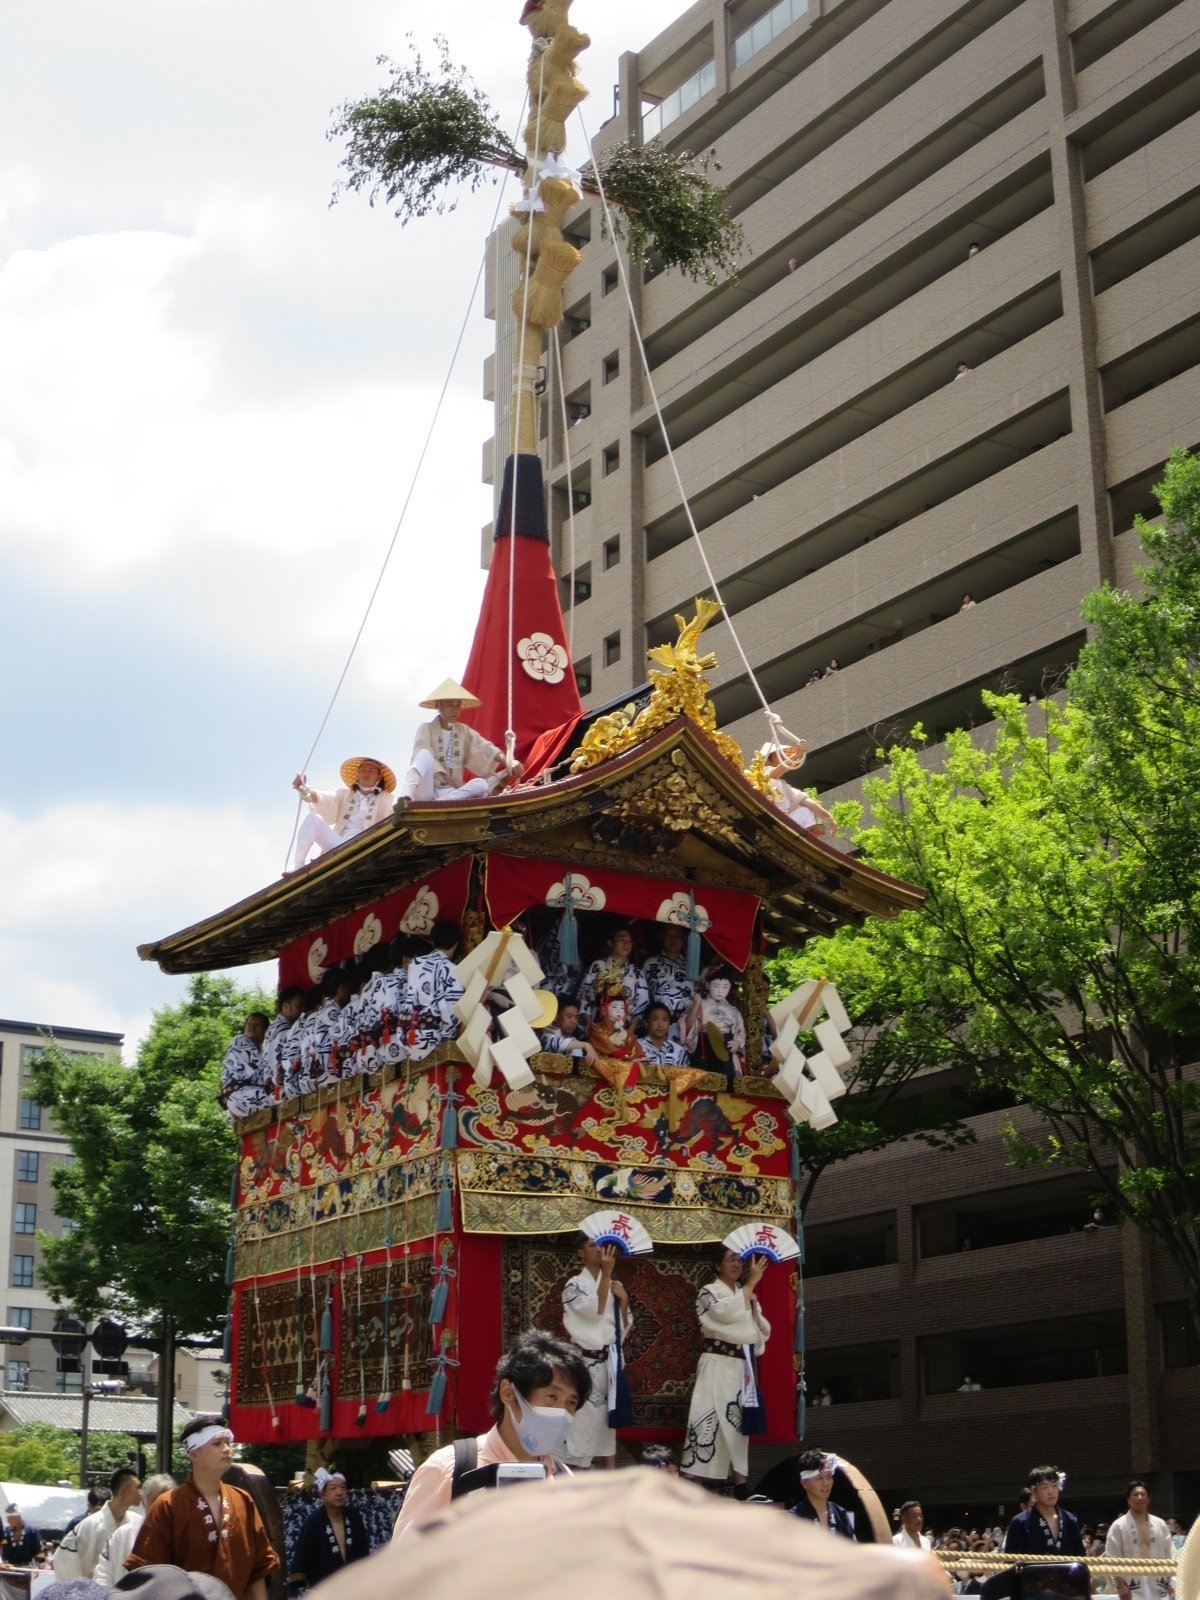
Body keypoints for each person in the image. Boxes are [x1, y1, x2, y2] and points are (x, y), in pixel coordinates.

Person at [389, 1329, 589, 1540]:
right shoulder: (449, 1470)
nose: (561, 1413)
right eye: (551, 1396)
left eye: (571, 1403)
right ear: (508, 1393)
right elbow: (405, 1564)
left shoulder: (563, 1478)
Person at [126, 1416, 278, 1600]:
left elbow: (258, 1568)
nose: (227, 1449)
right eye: (217, 1444)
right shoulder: (168, 1505)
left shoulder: (243, 1500)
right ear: (194, 1454)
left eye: (228, 1442)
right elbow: (148, 1572)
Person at [679, 1244, 770, 1487]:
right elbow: (724, 1314)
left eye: (739, 1260)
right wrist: (750, 1286)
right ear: (718, 1265)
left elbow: (761, 1330)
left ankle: (740, 1483)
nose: (737, 1264)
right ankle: (694, 1481)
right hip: (717, 1363)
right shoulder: (708, 1292)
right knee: (706, 1414)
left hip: (742, 1367)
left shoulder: (745, 1293)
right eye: (730, 1260)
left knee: (737, 1423)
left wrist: (748, 1295)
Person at [561, 1236, 633, 1470]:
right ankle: (578, 1472)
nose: (599, 1250)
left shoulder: (613, 1285)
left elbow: (622, 1329)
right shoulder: (574, 1285)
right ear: (580, 1253)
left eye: (601, 1246)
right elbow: (594, 1310)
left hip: (608, 1362)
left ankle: (610, 1473)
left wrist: (624, 1300)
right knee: (582, 1417)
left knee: (606, 1419)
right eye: (592, 1246)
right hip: (583, 1361)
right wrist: (608, 1274)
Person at [402, 680, 520, 802]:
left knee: (481, 784)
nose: (455, 709)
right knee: (423, 755)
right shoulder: (426, 728)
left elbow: (486, 748)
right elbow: (421, 758)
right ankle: (407, 792)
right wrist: (450, 780)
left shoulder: (463, 731)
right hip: (427, 789)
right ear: (439, 705)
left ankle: (445, 801)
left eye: (458, 705)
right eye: (450, 704)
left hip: (452, 792)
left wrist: (508, 761)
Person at [290, 758, 397, 871]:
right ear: (358, 773)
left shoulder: (386, 799)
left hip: (367, 844)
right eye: (363, 770)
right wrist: (302, 788)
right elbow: (323, 798)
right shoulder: (344, 794)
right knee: (312, 819)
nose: (366, 773)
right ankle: (298, 865)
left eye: (371, 771)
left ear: (379, 777)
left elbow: (396, 811)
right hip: (339, 844)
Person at [55, 1466, 143, 1581]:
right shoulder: (90, 1524)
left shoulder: (136, 1522)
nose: (141, 1493)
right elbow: (63, 1558)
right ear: (124, 1491)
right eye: (138, 1488)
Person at [288, 1471, 368, 1592]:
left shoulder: (354, 1517)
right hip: (323, 1589)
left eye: (343, 1487)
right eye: (333, 1488)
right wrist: (293, 1592)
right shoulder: (313, 1521)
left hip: (353, 1588)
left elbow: (363, 1553)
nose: (339, 1492)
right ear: (322, 1494)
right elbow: (301, 1557)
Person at [95, 1477, 176, 1588]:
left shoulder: (185, 1535)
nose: (163, 1505)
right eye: (156, 1500)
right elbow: (103, 1576)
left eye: (169, 1500)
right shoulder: (122, 1536)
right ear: (144, 1503)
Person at [1106, 1479, 1176, 1600]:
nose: (1139, 1498)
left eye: (1143, 1494)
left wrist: (1172, 1581)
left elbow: (1170, 1553)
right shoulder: (1118, 1526)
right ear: (1128, 1500)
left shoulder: (1160, 1524)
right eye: (1135, 1494)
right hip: (1131, 1583)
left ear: (1148, 1499)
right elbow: (1113, 1556)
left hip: (1158, 1580)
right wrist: (1120, 1584)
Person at [405, 922, 465, 1060]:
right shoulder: (450, 968)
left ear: (432, 942)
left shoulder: (415, 964)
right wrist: (447, 1037)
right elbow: (452, 1008)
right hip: (432, 1038)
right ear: (456, 944)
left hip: (407, 1036)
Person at [681, 969, 746, 1086]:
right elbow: (687, 1026)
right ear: (707, 985)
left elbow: (740, 1032)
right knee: (702, 1081)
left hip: (725, 1046)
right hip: (703, 1046)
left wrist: (737, 1042)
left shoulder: (734, 1011)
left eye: (725, 987)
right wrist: (696, 1006)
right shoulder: (700, 1004)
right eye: (716, 986)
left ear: (730, 987)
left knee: (726, 1081)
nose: (720, 991)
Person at [1004, 1466, 1085, 1556]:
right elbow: (1010, 1558)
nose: (1051, 1491)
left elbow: (1080, 1556)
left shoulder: (1069, 1519)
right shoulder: (1020, 1522)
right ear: (1034, 1491)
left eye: (1054, 1486)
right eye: (1044, 1487)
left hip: (1066, 1570)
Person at [758, 742, 836, 835]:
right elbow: (775, 773)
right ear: (772, 756)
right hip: (774, 818)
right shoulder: (763, 773)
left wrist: (828, 817)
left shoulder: (782, 785)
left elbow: (803, 799)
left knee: (806, 811)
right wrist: (796, 755)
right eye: (781, 754)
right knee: (805, 812)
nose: (784, 757)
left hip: (784, 819)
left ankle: (805, 838)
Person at [579, 928, 648, 1022]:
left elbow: (642, 1005)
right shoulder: (598, 966)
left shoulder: (636, 973)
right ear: (610, 943)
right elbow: (585, 997)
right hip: (598, 1024)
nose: (626, 944)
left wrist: (630, 1030)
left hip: (625, 1027)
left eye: (629, 941)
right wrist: (589, 1024)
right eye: (621, 939)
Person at [641, 927, 698, 1031]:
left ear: (684, 939)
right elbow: (642, 996)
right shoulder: (650, 964)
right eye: (669, 936)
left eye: (678, 936)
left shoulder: (693, 965)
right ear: (662, 938)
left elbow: (700, 996)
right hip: (658, 1023)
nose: (673, 939)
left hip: (687, 1023)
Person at [791, 1451, 857, 1539]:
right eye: (819, 1478)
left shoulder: (840, 1513)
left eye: (829, 1476)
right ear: (804, 1483)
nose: (826, 1483)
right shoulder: (794, 1518)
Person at [220, 1013, 272, 1120]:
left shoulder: (262, 1052)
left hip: (246, 1097)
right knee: (279, 1101)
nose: (252, 1026)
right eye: (250, 1024)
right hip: (242, 1095)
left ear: (266, 1031)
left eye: (257, 1024)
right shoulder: (240, 1040)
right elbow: (259, 1071)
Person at [261, 989, 304, 1099]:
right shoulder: (283, 1030)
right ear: (285, 1006)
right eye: (298, 1006)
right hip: (281, 1090)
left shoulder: (272, 1029)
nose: (302, 1010)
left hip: (271, 1091)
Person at [540, 998, 598, 1064]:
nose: (574, 1022)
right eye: (569, 1017)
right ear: (556, 1017)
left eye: (576, 1018)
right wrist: (586, 1045)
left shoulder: (576, 1042)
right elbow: (558, 1043)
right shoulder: (547, 1037)